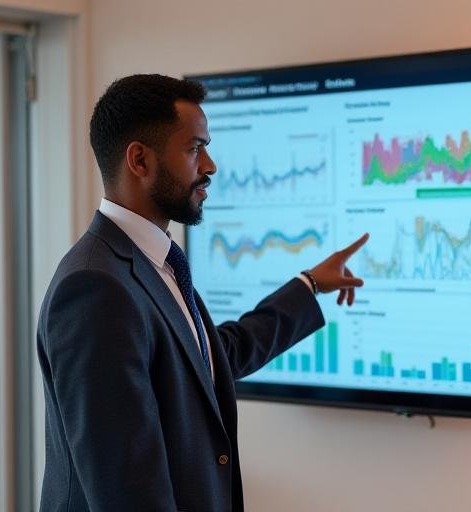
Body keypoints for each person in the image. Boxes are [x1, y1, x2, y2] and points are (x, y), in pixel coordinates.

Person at [37, 74, 368, 511]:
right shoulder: (95, 287)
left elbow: (211, 359)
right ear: (140, 160)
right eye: (195, 148)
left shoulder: (155, 262)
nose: (210, 165)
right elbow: (125, 487)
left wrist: (308, 286)